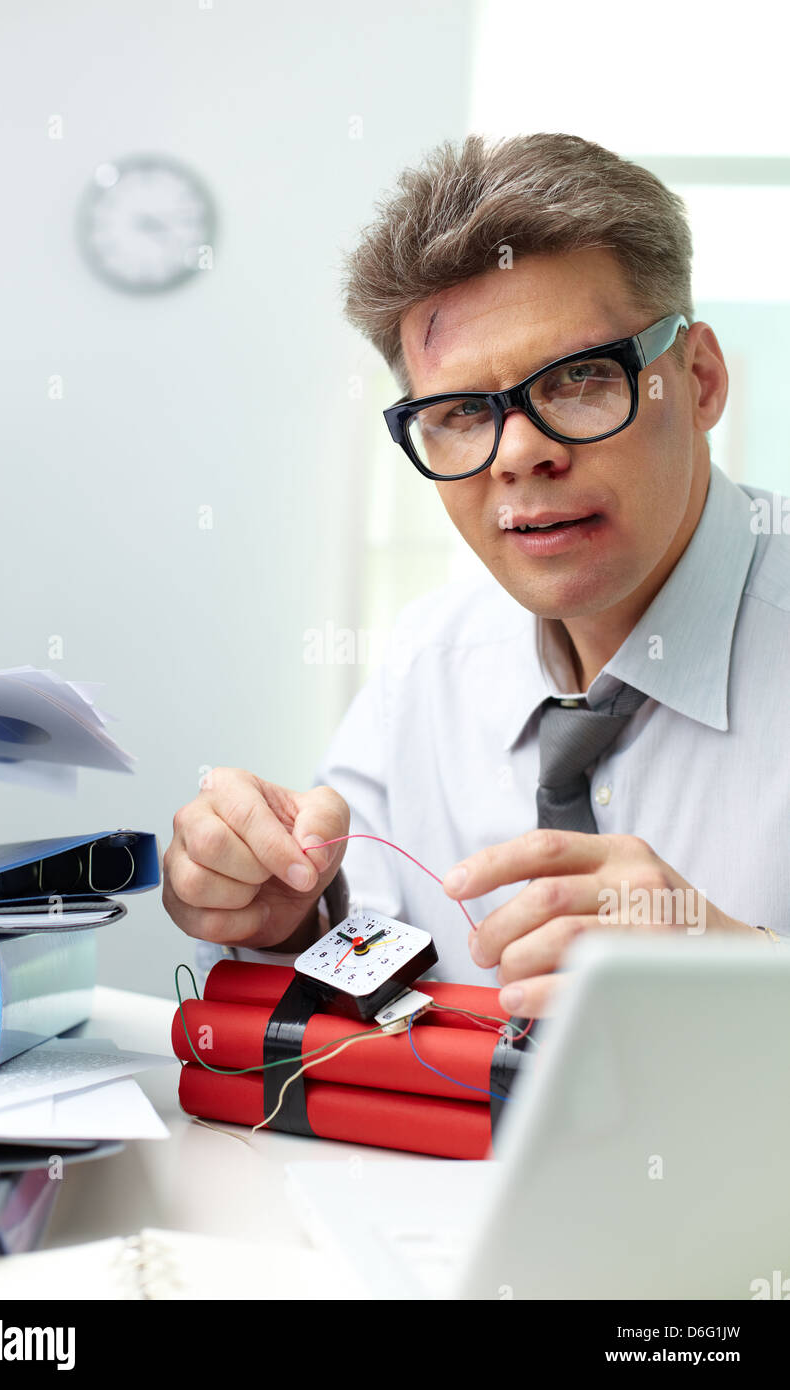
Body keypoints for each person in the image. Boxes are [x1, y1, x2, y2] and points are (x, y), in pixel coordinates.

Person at [163, 132, 788, 1015]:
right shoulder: (428, 661)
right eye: (460, 412)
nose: (519, 455)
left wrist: (751, 978)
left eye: (578, 379)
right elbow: (362, 958)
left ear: (701, 381)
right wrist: (286, 921)